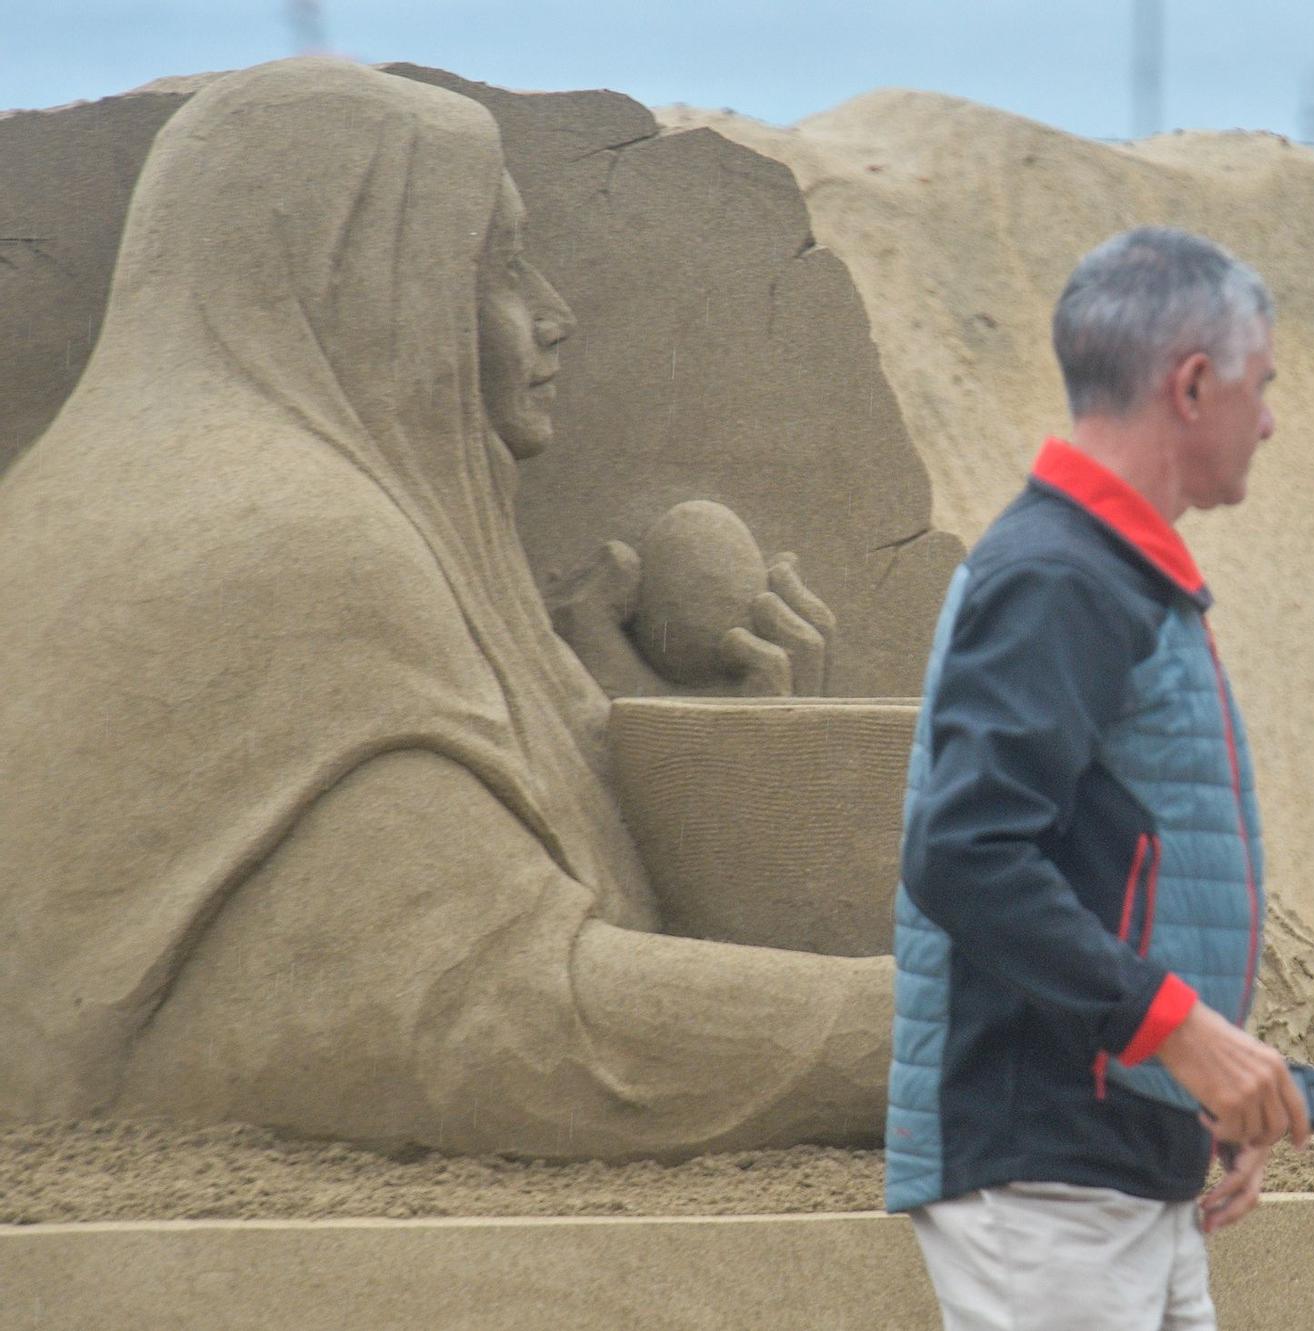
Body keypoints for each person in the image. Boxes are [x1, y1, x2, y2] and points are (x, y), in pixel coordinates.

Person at [0, 57, 891, 1158]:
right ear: (376, 284)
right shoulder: (286, 539)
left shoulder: (111, 490)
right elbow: (497, 1026)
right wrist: (953, 1028)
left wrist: (687, 760)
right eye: (503, 268)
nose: (553, 317)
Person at [887, 227, 1313, 1329]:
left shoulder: (1102, 572)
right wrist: (1181, 1034)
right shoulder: (1058, 575)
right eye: (1260, 385)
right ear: (1191, 382)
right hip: (1046, 1178)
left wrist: (1194, 1095)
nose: (1266, 418)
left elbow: (1109, 862)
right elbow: (964, 851)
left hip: (1115, 1169)